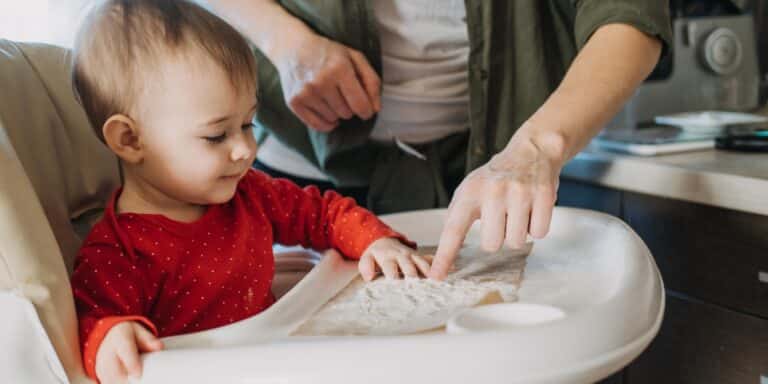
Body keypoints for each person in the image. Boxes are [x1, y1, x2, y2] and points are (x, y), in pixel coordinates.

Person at [69, 1, 430, 382]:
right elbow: (92, 321)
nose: (245, 149)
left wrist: (374, 241)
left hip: (273, 363)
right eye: (216, 135)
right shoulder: (119, 252)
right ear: (129, 140)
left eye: (248, 124)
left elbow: (321, 214)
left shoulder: (250, 195)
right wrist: (109, 336)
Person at [204, 0, 673, 280]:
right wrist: (286, 41)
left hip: (491, 173)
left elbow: (630, 13)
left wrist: (537, 147)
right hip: (305, 176)